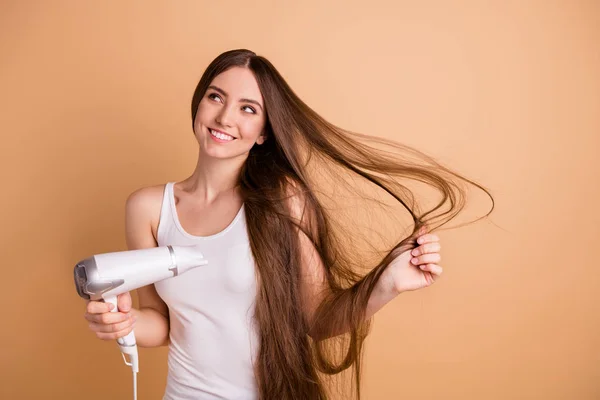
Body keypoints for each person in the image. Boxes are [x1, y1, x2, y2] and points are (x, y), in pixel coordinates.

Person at [83, 49, 494, 400]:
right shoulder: (148, 208)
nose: (226, 117)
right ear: (199, 105)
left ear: (263, 132)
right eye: (215, 97)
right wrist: (125, 324)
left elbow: (318, 321)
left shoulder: (283, 201)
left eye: (248, 109)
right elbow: (164, 324)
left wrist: (387, 284)